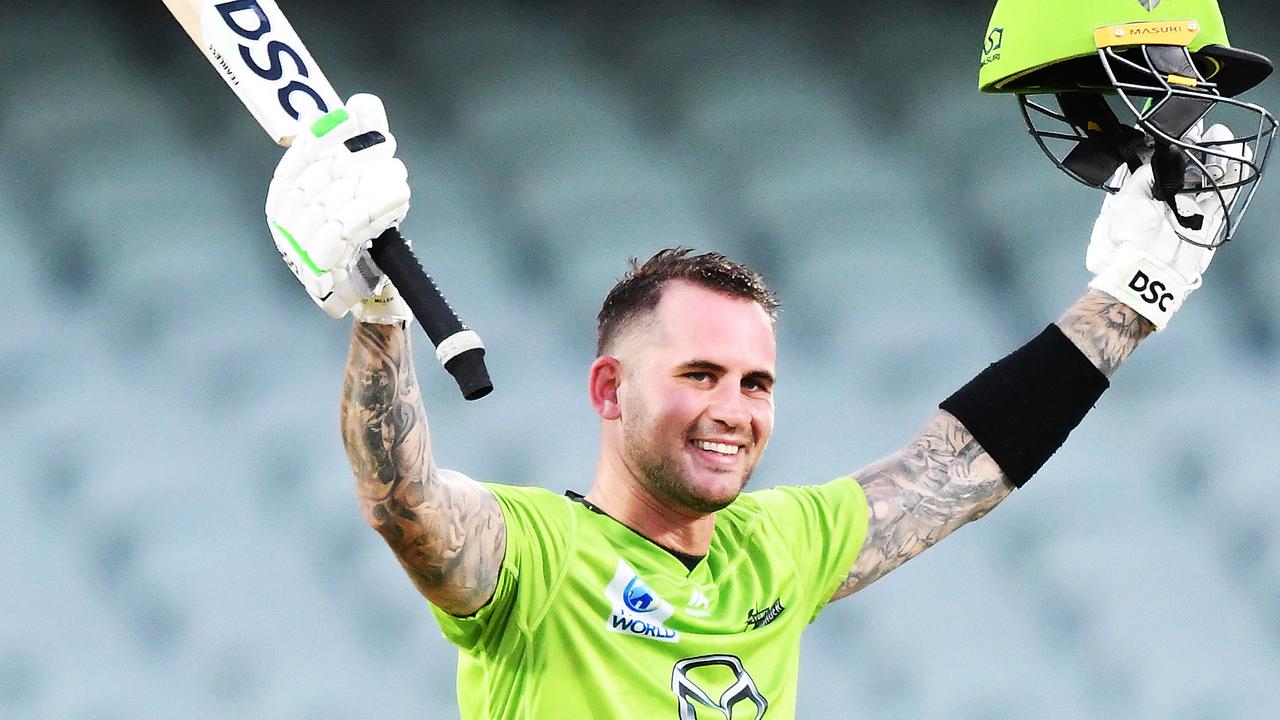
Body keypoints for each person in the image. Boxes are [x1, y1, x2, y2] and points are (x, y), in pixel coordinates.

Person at [260, 3, 1270, 716]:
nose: (732, 410)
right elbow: (404, 498)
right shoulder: (537, 558)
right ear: (608, 388)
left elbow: (957, 467)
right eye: (698, 375)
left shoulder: (774, 550)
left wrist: (1127, 302)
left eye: (754, 383)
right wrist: (379, 312)